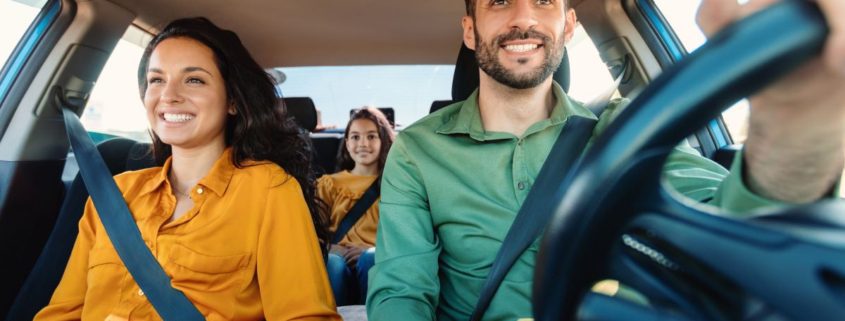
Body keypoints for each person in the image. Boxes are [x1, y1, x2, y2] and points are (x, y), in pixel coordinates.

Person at [367, 0, 845, 320]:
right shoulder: (418, 149)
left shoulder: (626, 131)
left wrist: (789, 128)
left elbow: (727, 222)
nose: (522, 19)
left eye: (544, 0)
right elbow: (402, 291)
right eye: (498, 0)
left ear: (568, 25)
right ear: (470, 31)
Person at [35, 18, 340, 320]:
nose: (169, 95)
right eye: (157, 80)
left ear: (232, 100)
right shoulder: (112, 194)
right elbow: (61, 313)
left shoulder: (269, 189)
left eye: (194, 79)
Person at [319, 107, 395, 304]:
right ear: (346, 143)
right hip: (336, 256)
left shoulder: (395, 185)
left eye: (371, 136)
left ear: (383, 141)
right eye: (355, 137)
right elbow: (312, 234)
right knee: (332, 264)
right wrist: (333, 249)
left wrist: (372, 249)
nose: (363, 144)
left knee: (371, 259)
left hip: (377, 257)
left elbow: (402, 234)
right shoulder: (329, 184)